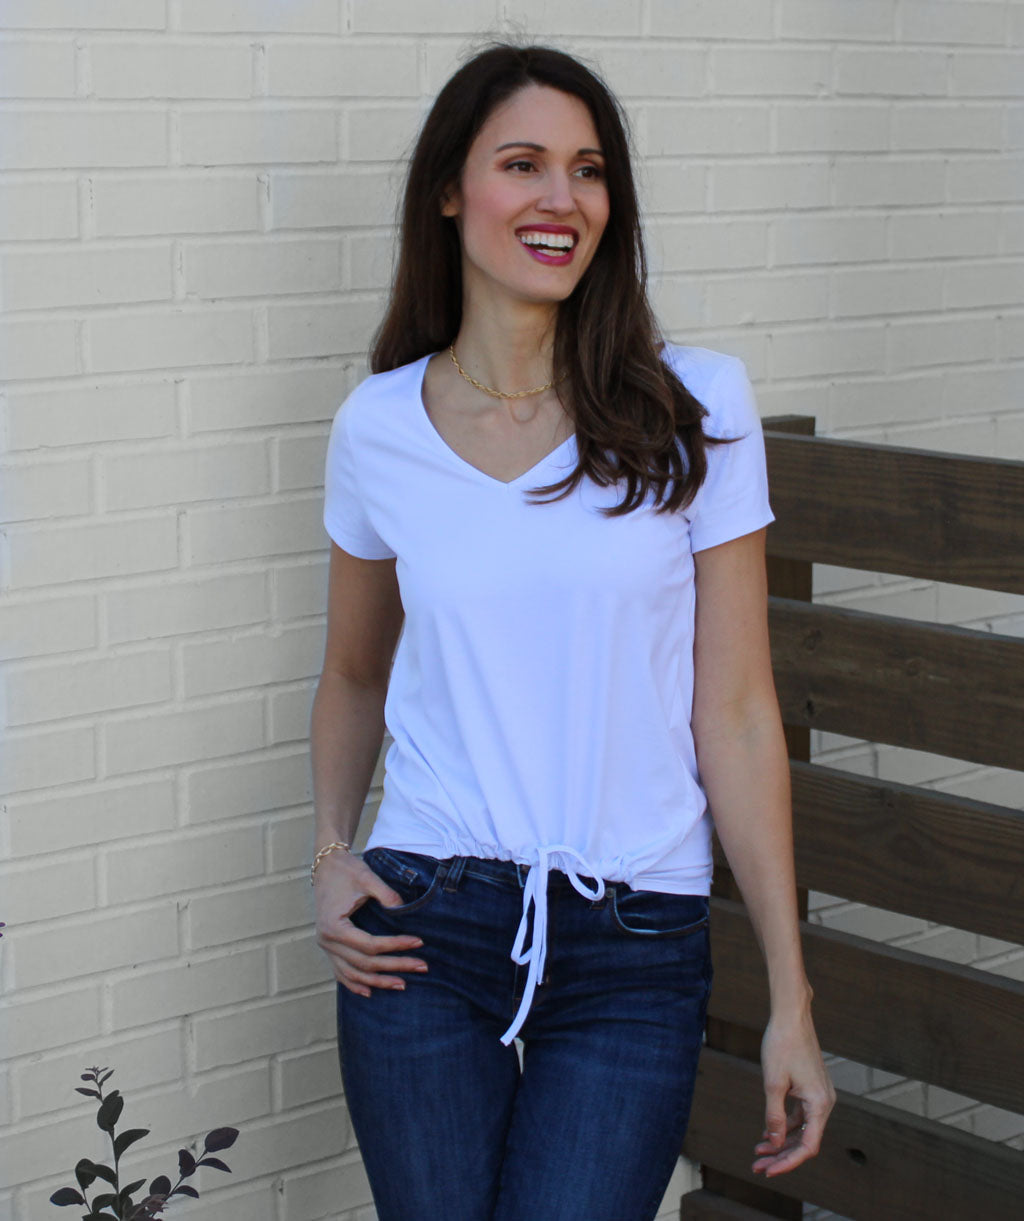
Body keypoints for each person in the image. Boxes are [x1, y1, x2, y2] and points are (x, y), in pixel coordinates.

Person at [310, 40, 835, 1221]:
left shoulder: (694, 406)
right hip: (424, 925)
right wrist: (332, 854)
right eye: (523, 164)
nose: (562, 198)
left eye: (588, 170)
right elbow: (351, 674)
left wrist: (789, 998)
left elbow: (737, 712)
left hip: (633, 941)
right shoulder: (378, 425)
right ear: (450, 192)